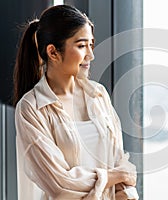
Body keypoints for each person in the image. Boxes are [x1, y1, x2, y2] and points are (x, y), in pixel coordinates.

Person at [13, 4, 139, 200]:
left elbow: (120, 165)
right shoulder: (31, 108)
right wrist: (113, 176)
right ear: (53, 52)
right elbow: (60, 184)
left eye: (91, 44)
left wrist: (124, 188)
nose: (91, 55)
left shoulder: (98, 95)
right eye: (81, 46)